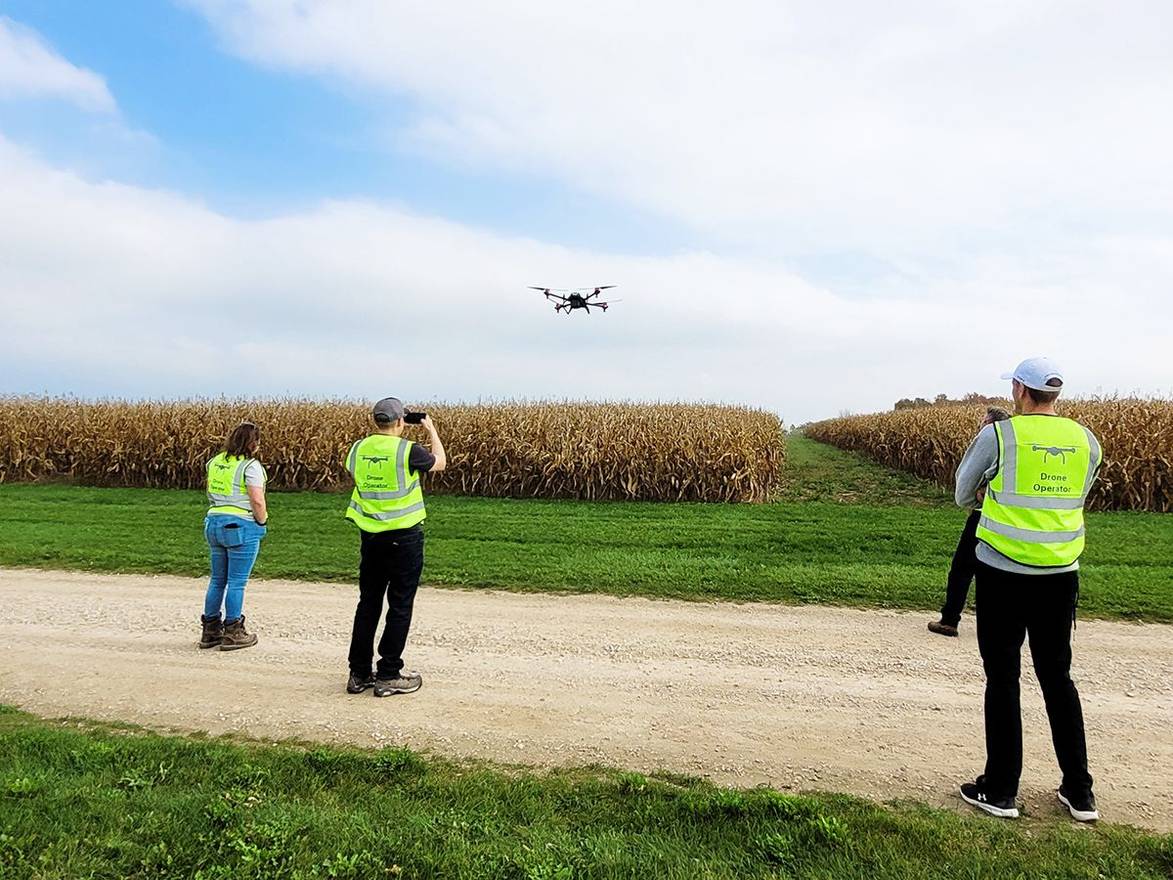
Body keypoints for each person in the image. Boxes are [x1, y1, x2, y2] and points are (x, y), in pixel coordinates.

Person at [955, 358, 1103, 822]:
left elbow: (962, 493)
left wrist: (986, 496)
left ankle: (1001, 790)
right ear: (1053, 394)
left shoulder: (1001, 435)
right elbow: (1079, 493)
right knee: (1058, 678)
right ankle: (1079, 793)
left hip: (1002, 573)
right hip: (1060, 575)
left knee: (1003, 679)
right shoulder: (1086, 440)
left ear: (1020, 390)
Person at [344, 397, 446, 697]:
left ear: (376, 420)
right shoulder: (407, 450)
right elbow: (439, 463)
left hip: (370, 535)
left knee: (368, 604)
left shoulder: (358, 448)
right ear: (401, 421)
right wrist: (432, 431)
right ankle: (389, 673)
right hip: (404, 536)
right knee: (400, 604)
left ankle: (359, 673)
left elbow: (356, 474)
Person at [928, 406, 1011, 637]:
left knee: (962, 568)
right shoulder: (1015, 446)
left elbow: (967, 486)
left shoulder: (992, 437)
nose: (981, 425)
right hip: (1015, 518)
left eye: (984, 421)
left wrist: (976, 495)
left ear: (990, 422)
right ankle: (1004, 624)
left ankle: (949, 619)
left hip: (984, 513)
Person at [200, 421, 268, 651]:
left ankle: (210, 629)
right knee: (237, 582)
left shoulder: (215, 462)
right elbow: (257, 500)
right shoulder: (251, 466)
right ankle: (233, 631)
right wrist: (262, 521)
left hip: (214, 522)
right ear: (253, 443)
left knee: (217, 580)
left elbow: (210, 490)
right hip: (240, 525)